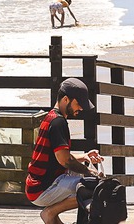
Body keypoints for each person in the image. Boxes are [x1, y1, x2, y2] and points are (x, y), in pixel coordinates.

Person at [25, 80, 103, 224]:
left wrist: (85, 156)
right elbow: (64, 160)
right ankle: (50, 213)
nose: (80, 108)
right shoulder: (58, 123)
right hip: (44, 187)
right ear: (66, 99)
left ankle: (53, 217)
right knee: (95, 188)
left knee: (84, 179)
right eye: (78, 103)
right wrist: (90, 171)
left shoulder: (51, 118)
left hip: (38, 184)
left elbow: (60, 156)